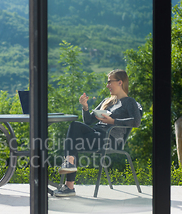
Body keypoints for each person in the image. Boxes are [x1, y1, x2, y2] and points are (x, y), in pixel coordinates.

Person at [54, 69, 142, 197]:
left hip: (109, 138)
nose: (107, 85)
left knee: (72, 143)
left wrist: (113, 121)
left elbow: (136, 122)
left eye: (109, 82)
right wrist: (85, 107)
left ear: (120, 82)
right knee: (74, 127)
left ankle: (69, 185)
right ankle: (70, 165)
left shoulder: (130, 102)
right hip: (96, 133)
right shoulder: (107, 101)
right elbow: (89, 120)